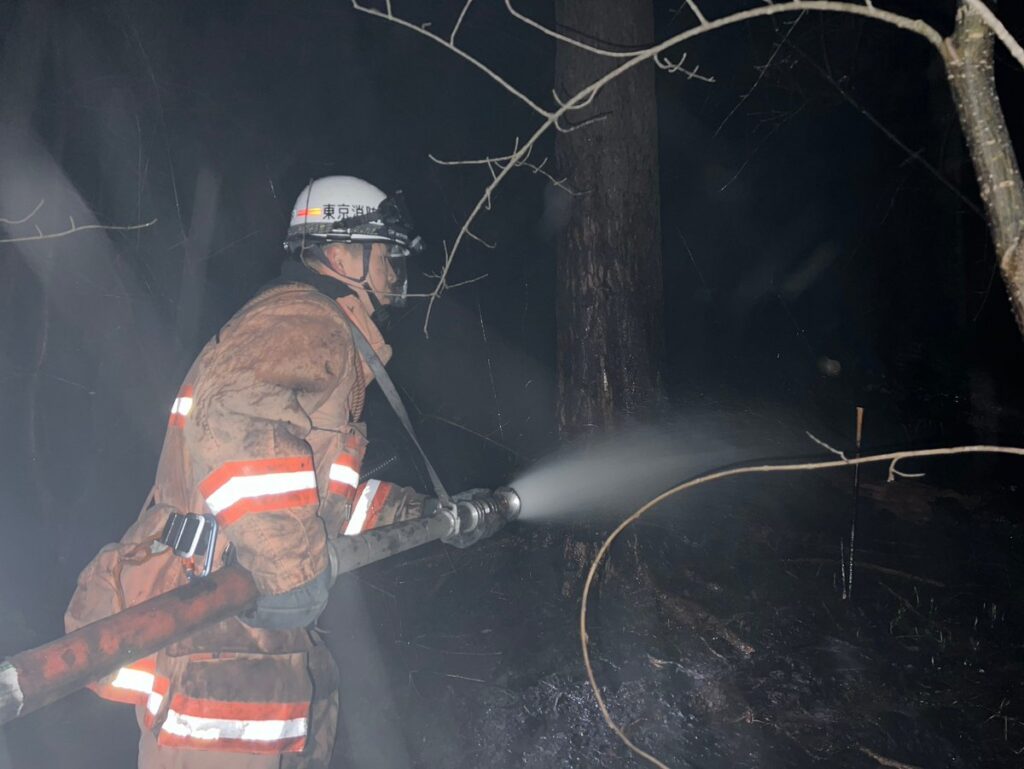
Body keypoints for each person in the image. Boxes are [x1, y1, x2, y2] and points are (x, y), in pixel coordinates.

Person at [66, 176, 433, 769]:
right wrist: (290, 568)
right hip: (222, 636)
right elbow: (235, 416)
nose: (396, 271)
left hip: (242, 639)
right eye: (386, 254)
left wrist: (416, 513)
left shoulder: (315, 332)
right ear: (342, 256)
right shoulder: (304, 320)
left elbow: (316, 494)